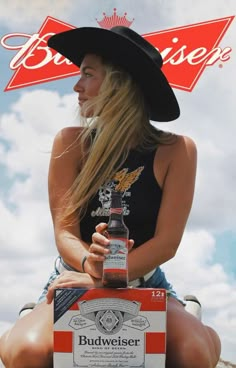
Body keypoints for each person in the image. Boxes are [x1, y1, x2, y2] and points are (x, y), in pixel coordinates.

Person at [0, 26, 221, 368]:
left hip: (144, 281)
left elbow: (166, 244)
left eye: (87, 74)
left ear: (120, 83)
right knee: (25, 353)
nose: (76, 86)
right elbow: (65, 233)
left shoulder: (176, 150)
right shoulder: (69, 143)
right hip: (75, 275)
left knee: (194, 352)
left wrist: (107, 278)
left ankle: (191, 316)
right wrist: (91, 267)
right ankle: (30, 314)